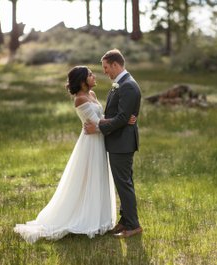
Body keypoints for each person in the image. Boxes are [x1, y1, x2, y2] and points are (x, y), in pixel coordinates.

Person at [14, 66, 136, 243]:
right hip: (91, 144)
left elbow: (103, 120)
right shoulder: (80, 100)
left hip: (100, 141)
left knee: (99, 178)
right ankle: (83, 219)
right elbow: (96, 124)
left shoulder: (92, 95)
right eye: (90, 75)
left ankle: (100, 218)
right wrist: (124, 122)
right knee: (88, 179)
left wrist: (121, 118)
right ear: (82, 81)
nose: (95, 76)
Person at [85, 49, 142, 238]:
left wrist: (99, 127)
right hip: (119, 141)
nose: (105, 72)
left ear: (116, 65)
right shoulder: (121, 84)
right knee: (123, 183)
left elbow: (123, 117)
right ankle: (125, 221)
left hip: (122, 143)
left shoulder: (128, 86)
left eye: (106, 67)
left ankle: (133, 226)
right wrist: (124, 119)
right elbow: (122, 116)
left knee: (124, 184)